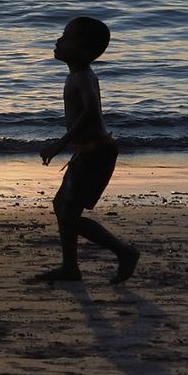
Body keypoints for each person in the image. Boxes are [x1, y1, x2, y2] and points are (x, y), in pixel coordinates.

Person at [35, 16, 139, 284]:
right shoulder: (77, 76)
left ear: (83, 51)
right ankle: (70, 268)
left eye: (66, 37)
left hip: (96, 154)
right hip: (87, 152)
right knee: (62, 208)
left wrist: (60, 144)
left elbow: (91, 113)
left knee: (69, 215)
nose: (58, 40)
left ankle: (124, 252)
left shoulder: (83, 77)